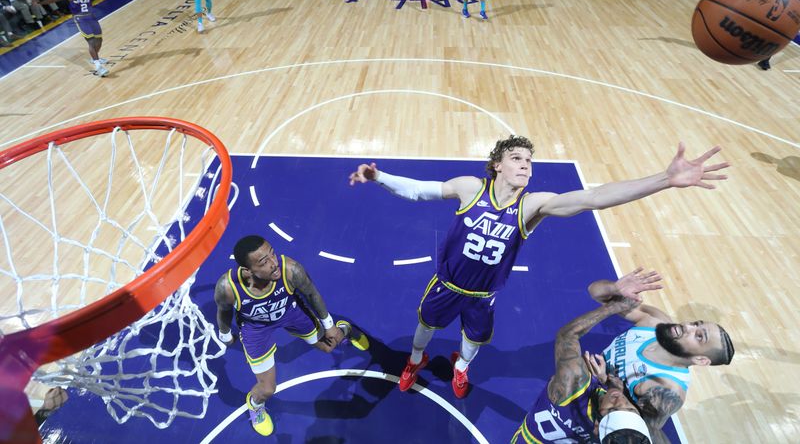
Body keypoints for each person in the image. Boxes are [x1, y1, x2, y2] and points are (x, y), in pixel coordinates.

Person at [348, 136, 728, 399]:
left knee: (473, 341)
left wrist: (665, 179)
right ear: (497, 165)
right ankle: (415, 362)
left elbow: (594, 197)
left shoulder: (533, 206)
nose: (526, 166)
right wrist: (378, 177)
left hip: (483, 295)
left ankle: (460, 368)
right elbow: (419, 189)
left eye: (529, 161)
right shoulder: (469, 187)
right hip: (446, 285)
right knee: (423, 329)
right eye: (517, 158)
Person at [214, 235, 369, 436]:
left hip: (291, 313)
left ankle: (346, 330)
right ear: (247, 271)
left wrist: (329, 326)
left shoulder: (290, 270)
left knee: (329, 345)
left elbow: (312, 294)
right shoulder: (227, 287)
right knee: (267, 389)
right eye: (264, 262)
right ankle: (255, 406)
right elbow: (223, 310)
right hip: (256, 328)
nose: (273, 263)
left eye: (272, 254)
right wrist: (225, 333)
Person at [590, 268, 735, 444]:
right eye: (696, 324)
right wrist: (614, 289)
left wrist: (606, 382)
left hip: (594, 421)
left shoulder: (666, 392)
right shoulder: (656, 323)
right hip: (583, 383)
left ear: (700, 360)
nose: (688, 326)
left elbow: (636, 433)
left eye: (699, 336)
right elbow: (595, 291)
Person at [512, 284, 656, 443]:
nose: (621, 400)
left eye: (613, 410)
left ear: (597, 426)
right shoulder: (613, 436)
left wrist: (615, 306)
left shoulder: (573, 385)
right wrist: (605, 384)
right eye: (629, 409)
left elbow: (567, 336)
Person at [32, 0, 110, 77]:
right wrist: (40, 3)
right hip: (80, 18)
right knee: (91, 41)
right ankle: (98, 67)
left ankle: (94, 58)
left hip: (91, 17)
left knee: (99, 40)